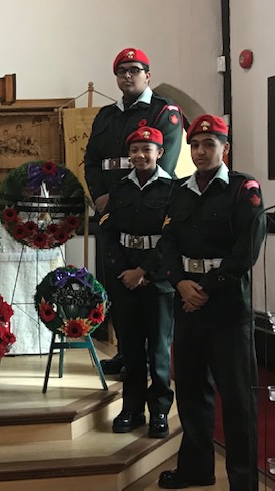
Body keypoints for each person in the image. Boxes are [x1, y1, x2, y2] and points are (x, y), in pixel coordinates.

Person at [158, 114, 266, 490]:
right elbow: (166, 244)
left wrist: (203, 289)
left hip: (226, 308)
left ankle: (242, 482)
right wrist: (181, 284)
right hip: (187, 306)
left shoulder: (242, 189)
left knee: (237, 403)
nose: (201, 151)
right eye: (195, 145)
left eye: (209, 144)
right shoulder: (180, 191)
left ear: (225, 148)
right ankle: (197, 469)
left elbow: (245, 251)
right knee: (190, 394)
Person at [84, 47, 183, 376]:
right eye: (122, 70)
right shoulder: (106, 116)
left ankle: (153, 368)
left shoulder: (163, 112)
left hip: (148, 211)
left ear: (147, 75)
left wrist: (136, 200)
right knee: (117, 288)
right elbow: (93, 162)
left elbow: (163, 166)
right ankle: (127, 354)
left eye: (135, 69)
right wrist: (99, 197)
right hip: (112, 214)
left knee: (150, 297)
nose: (127, 75)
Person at [99, 126, 175, 438]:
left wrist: (143, 272)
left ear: (160, 153)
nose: (140, 155)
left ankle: (159, 412)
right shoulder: (120, 189)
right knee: (129, 348)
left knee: (158, 350)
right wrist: (124, 273)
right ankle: (131, 409)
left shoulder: (174, 190)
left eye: (147, 149)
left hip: (157, 283)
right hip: (125, 280)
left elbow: (171, 239)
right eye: (134, 150)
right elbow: (109, 232)